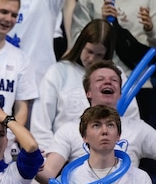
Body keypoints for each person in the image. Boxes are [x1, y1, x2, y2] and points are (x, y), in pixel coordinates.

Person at [38, 60, 156, 181]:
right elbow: (48, 172)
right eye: (100, 80)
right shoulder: (69, 130)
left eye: (113, 80)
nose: (107, 82)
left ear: (120, 92)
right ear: (88, 92)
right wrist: (31, 163)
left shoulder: (138, 128)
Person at [29, 19, 137, 152]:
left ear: (107, 53)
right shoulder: (57, 72)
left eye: (99, 55)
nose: (92, 59)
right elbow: (41, 123)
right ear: (80, 45)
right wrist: (49, 155)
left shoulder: (116, 76)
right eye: (89, 51)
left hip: (108, 157)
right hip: (64, 157)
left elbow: (131, 122)